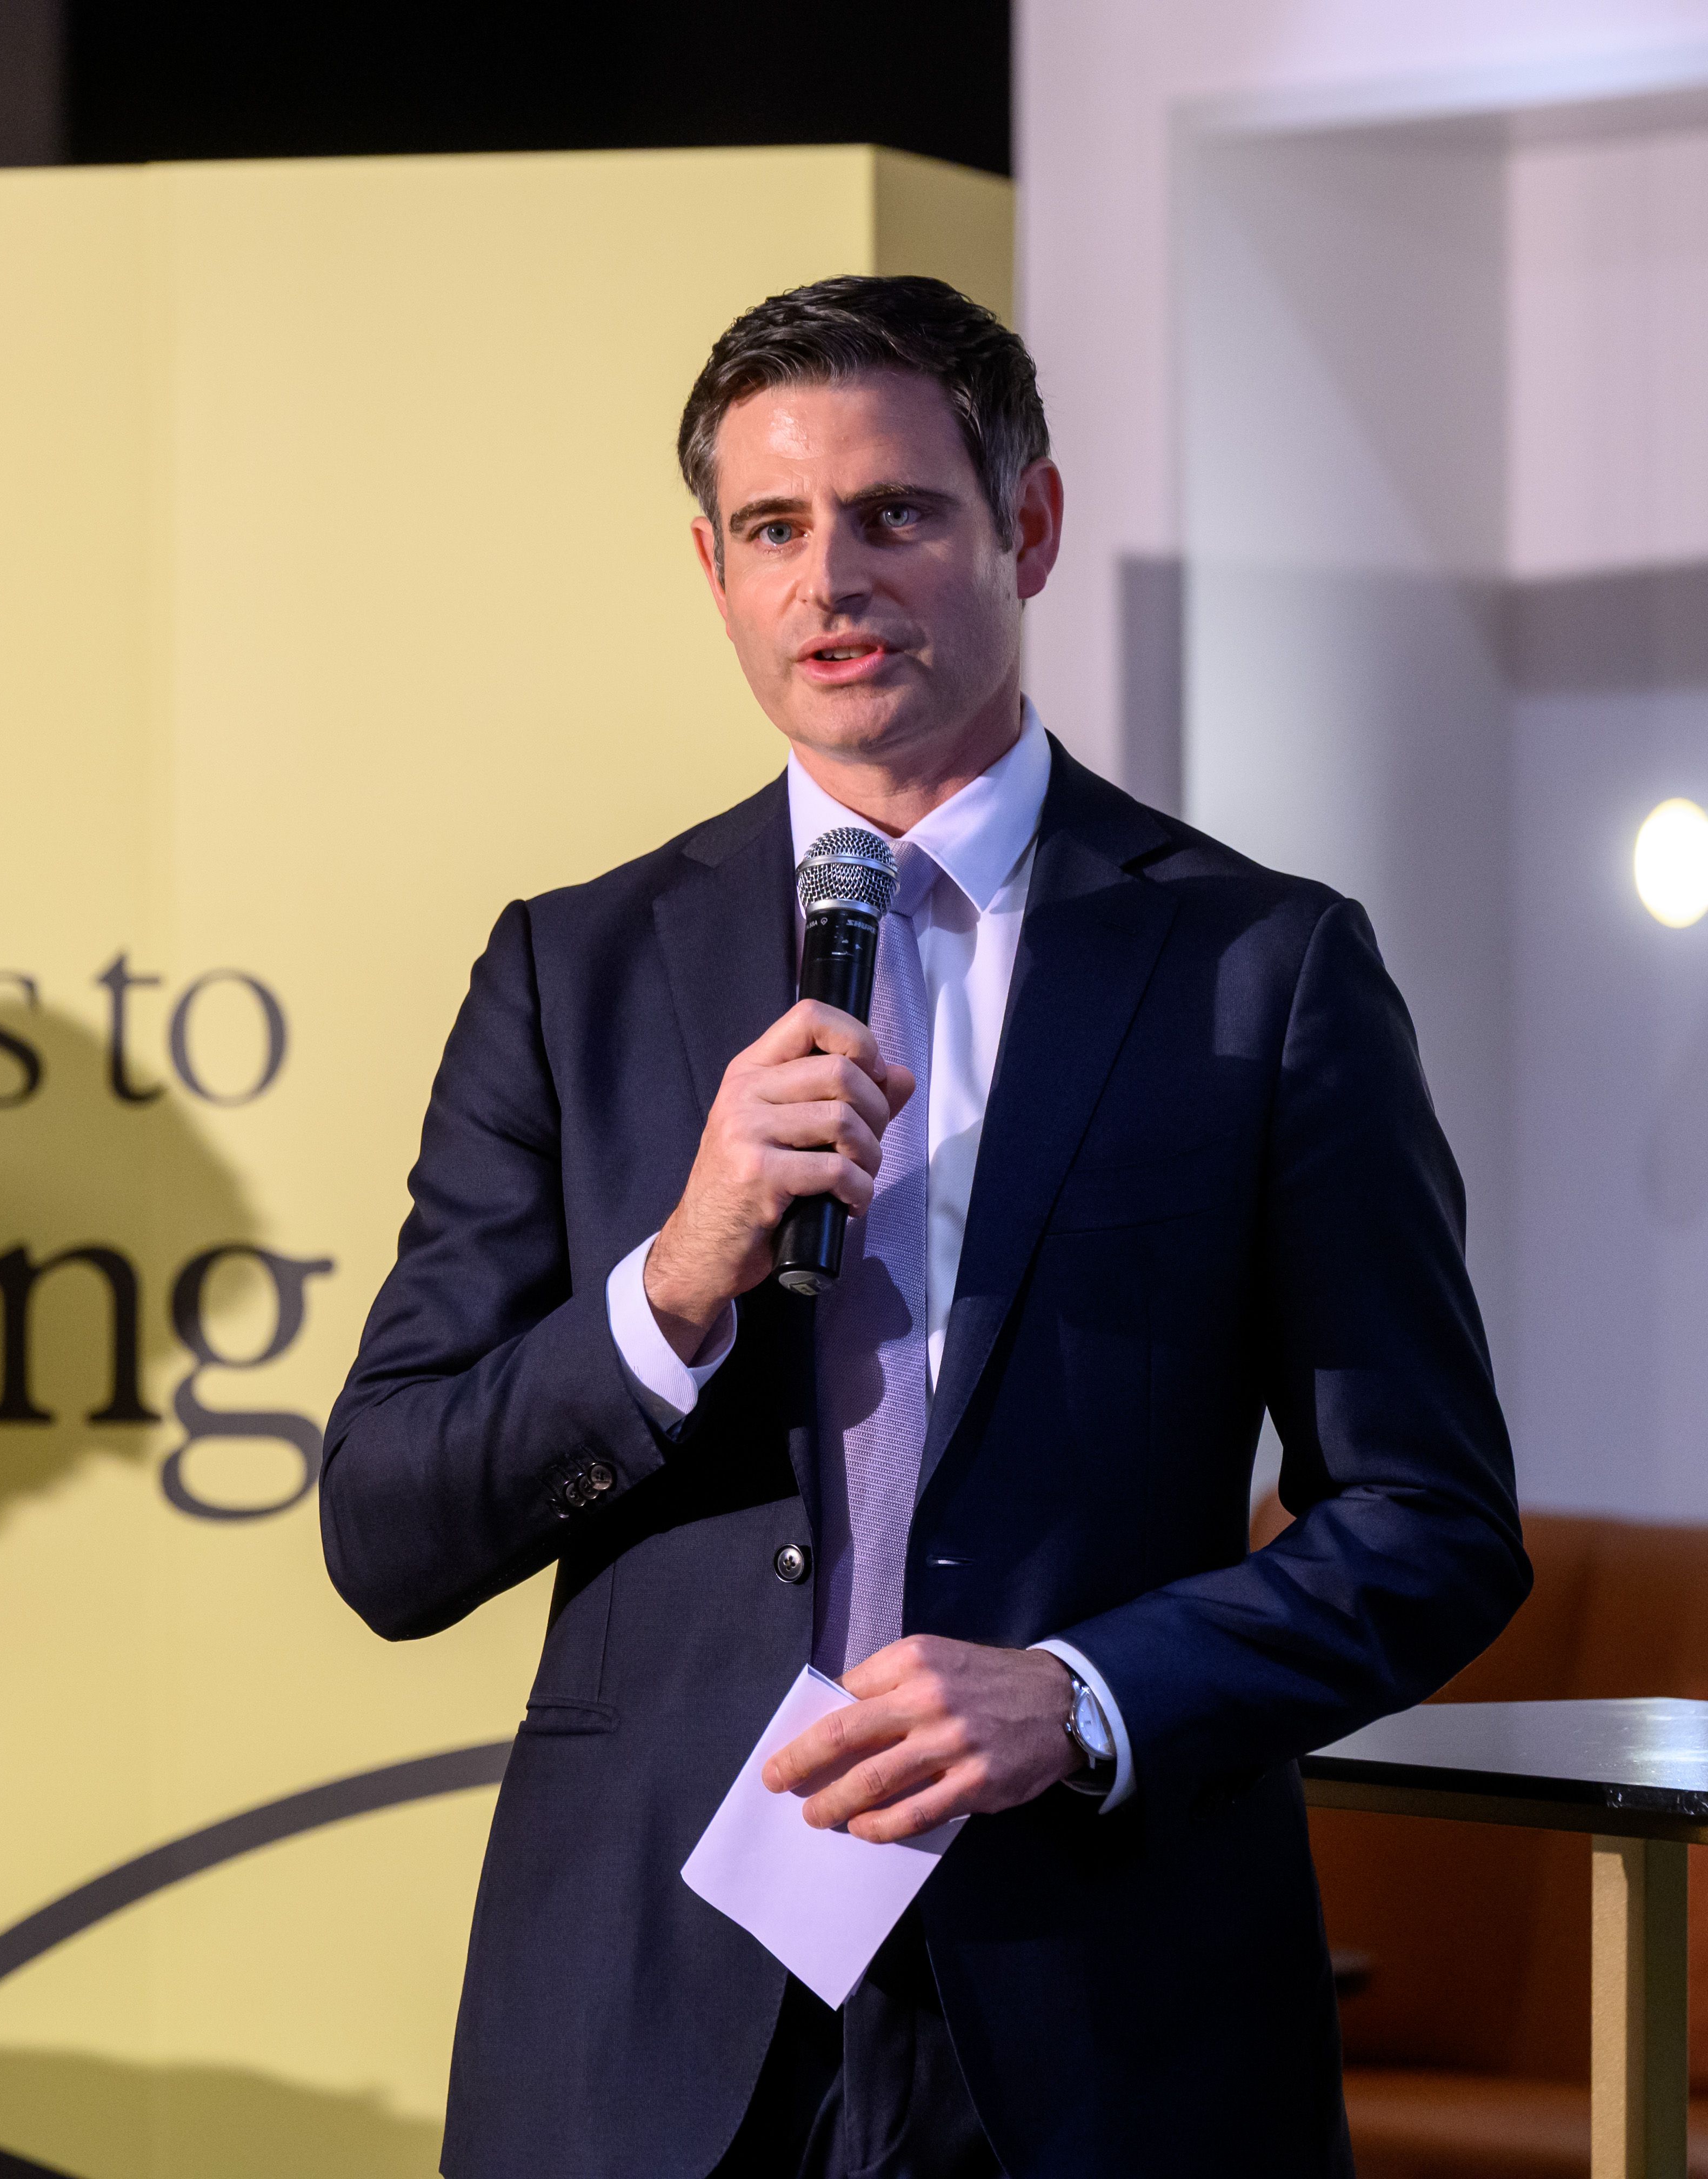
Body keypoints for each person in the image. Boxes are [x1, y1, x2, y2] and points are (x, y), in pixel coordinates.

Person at [318, 275, 1527, 2178]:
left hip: (1092, 2008)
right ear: (710, 568)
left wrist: (1087, 1692)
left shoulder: (1259, 970)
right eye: (777, 532)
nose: (833, 583)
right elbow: (387, 1525)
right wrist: (675, 1281)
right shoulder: (574, 973)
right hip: (646, 2022)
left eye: (898, 515)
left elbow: (1434, 1524)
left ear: (1025, 526)